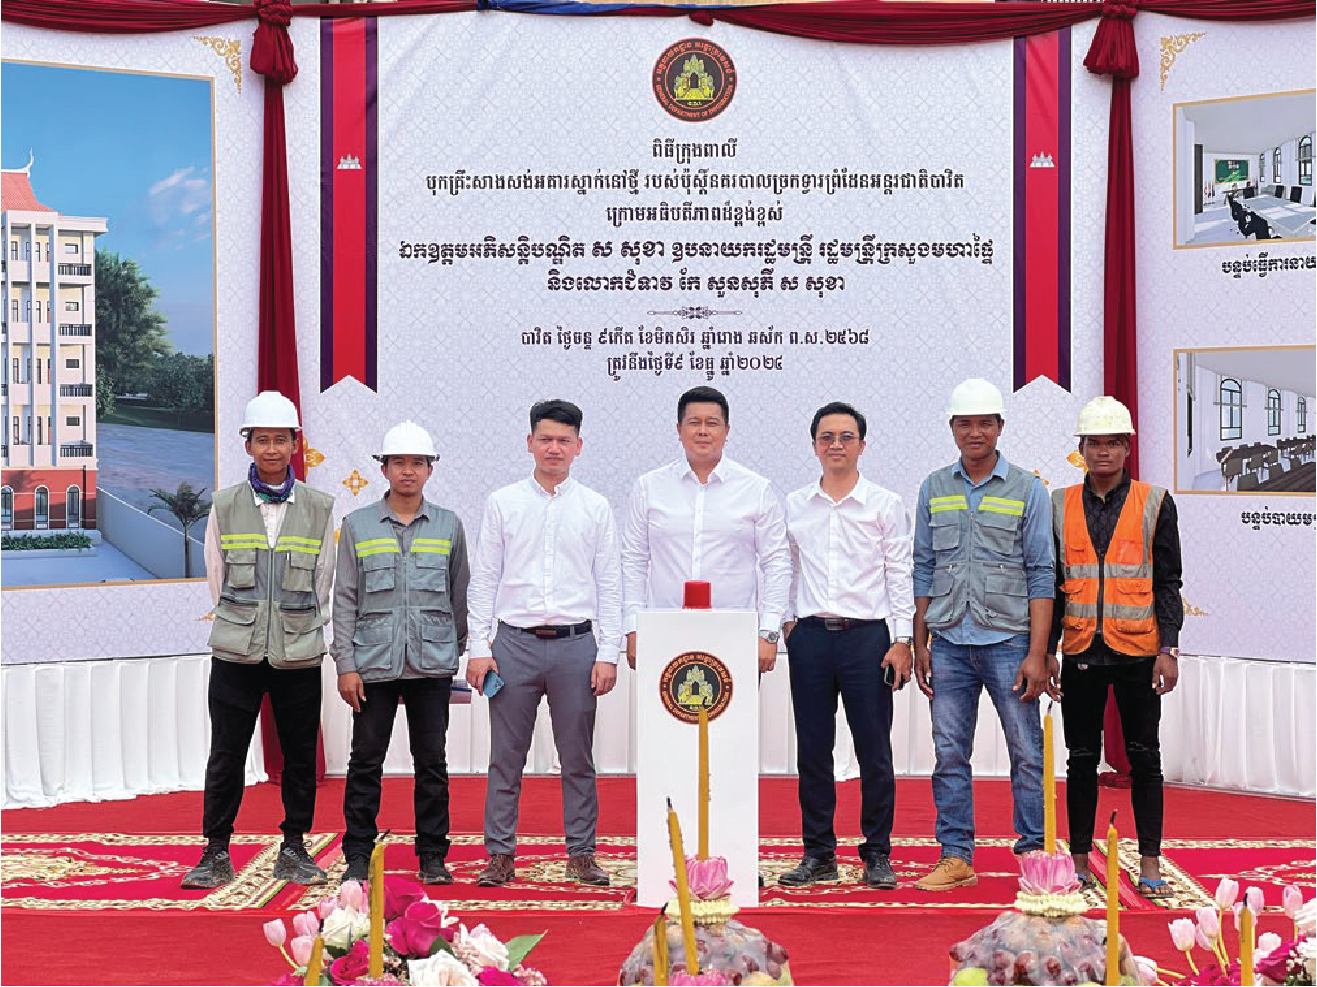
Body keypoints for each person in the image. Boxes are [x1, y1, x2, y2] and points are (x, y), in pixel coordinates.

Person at [465, 399, 622, 888]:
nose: (554, 448)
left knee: (576, 757)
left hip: (577, 646)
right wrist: (478, 645)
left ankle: (581, 854)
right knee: (505, 758)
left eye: (564, 440)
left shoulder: (595, 507)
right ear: (530, 442)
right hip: (513, 644)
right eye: (545, 439)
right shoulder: (503, 503)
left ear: (578, 447)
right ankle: (499, 856)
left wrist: (608, 653)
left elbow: (611, 583)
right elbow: (485, 578)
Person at [182, 391, 335, 890]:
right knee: (226, 751)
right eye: (261, 439)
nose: (271, 449)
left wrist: (298, 630)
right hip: (237, 652)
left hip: (298, 652)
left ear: (296, 444)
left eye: (280, 439)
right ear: (247, 445)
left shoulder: (318, 507)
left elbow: (322, 583)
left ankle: (294, 847)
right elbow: (216, 577)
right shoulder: (224, 505)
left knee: (299, 754)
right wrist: (247, 624)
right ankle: (215, 850)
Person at [911, 378, 1057, 892]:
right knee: (949, 752)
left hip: (1009, 642)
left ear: (1000, 428)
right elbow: (923, 567)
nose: (975, 432)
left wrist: (1038, 653)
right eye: (965, 423)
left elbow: (1042, 572)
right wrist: (920, 640)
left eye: (984, 423)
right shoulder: (934, 487)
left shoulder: (1027, 489)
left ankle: (1036, 853)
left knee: (1026, 749)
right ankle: (956, 855)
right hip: (948, 640)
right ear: (953, 428)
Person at [778, 402, 914, 890]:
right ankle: (819, 854)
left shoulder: (883, 503)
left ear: (862, 443)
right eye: (826, 436)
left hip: (868, 639)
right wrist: (786, 622)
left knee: (874, 749)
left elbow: (900, 572)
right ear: (814, 444)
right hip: (812, 638)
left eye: (846, 436)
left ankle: (877, 852)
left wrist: (902, 639)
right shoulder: (794, 504)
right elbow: (782, 568)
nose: (836, 444)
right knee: (813, 750)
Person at [1051, 397, 1182, 898]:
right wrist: (1045, 652)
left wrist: (1168, 649)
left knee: (1145, 757)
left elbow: (1168, 581)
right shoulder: (1058, 503)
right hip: (1081, 646)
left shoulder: (1155, 502)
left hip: (1139, 650)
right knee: (1080, 757)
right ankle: (1080, 862)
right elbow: (1051, 581)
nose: (1103, 451)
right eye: (1094, 443)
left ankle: (1150, 863)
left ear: (1127, 448)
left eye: (1113, 443)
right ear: (1081, 448)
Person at [334, 421, 469, 885]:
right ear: (384, 468)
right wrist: (346, 666)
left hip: (431, 664)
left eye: (417, 463)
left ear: (429, 470)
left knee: (432, 761)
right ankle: (357, 853)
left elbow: (459, 597)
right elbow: (345, 598)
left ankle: (432, 854)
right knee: (366, 760)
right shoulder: (358, 526)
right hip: (372, 664)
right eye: (399, 463)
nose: (407, 472)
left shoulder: (449, 525)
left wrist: (452, 652)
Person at [620, 385, 791, 673]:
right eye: (694, 422)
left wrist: (769, 631)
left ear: (726, 430)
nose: (702, 431)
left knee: (733, 718)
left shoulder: (755, 489)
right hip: (665, 632)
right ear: (678, 429)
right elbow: (633, 560)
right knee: (668, 717)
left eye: (712, 423)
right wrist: (633, 628)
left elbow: (777, 562)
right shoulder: (649, 487)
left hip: (735, 633)